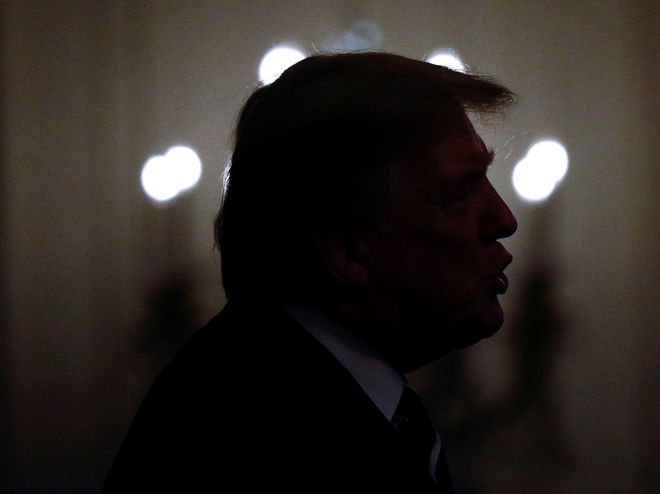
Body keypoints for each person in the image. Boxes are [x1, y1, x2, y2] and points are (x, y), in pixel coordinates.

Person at [103, 51, 517, 493]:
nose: (504, 219)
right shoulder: (254, 437)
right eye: (460, 193)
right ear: (346, 252)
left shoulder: (297, 395)